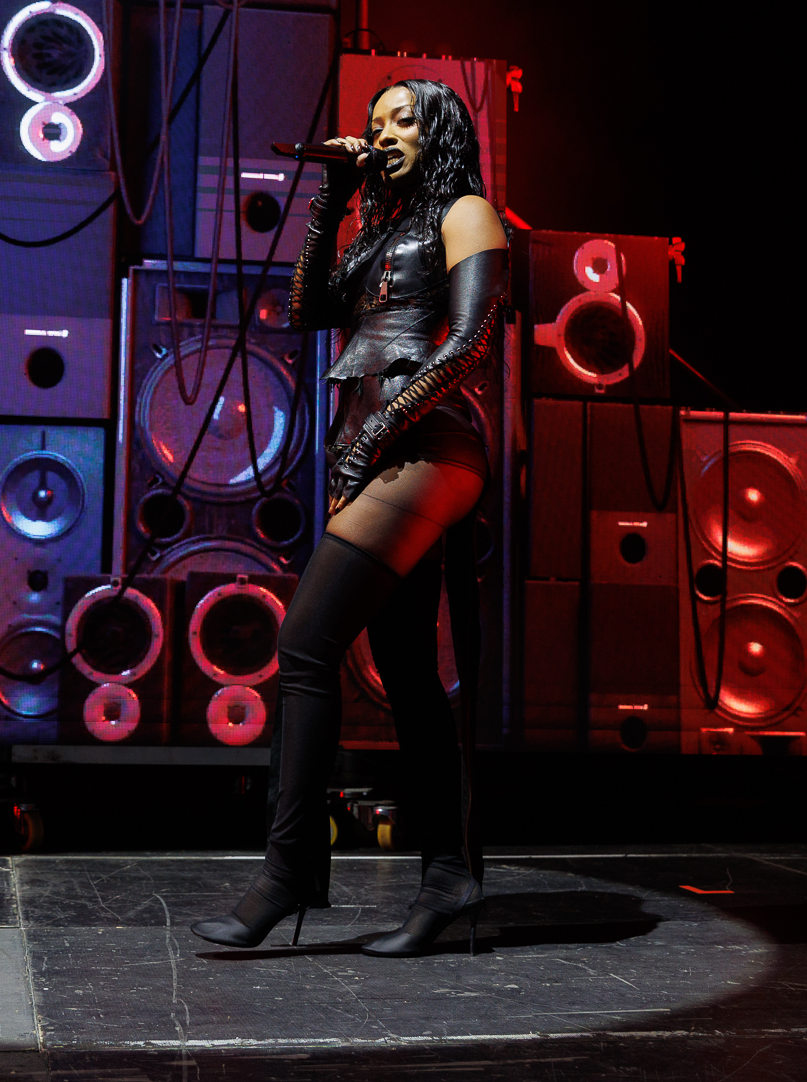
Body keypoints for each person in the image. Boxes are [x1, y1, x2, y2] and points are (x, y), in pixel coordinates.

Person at [193, 79, 508, 957]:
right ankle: (446, 875)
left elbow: (470, 342)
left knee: (304, 644)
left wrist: (374, 432)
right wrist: (332, 195)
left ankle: (289, 869)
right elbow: (306, 309)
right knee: (405, 669)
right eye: (375, 123)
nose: (384, 133)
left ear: (440, 129)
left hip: (432, 445)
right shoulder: (379, 231)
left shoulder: (468, 212)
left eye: (404, 118)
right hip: (379, 450)